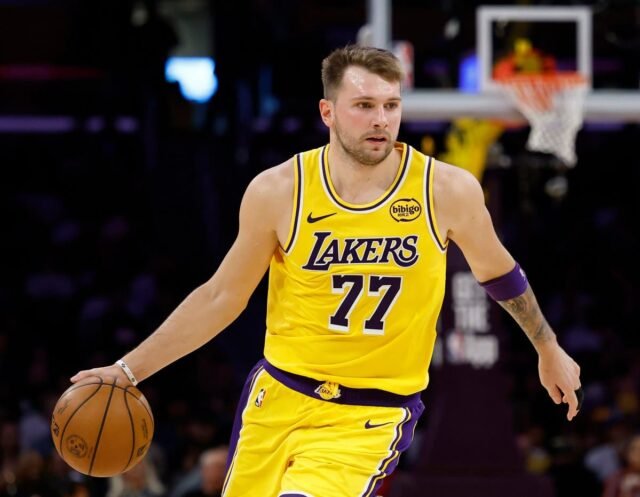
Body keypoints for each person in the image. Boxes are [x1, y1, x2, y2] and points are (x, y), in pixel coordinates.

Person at [71, 44, 582, 497]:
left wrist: (547, 346)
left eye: (391, 106)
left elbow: (500, 274)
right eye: (364, 106)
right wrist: (128, 370)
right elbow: (220, 297)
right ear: (328, 112)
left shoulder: (445, 191)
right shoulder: (279, 190)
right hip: (276, 400)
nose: (381, 120)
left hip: (369, 415)